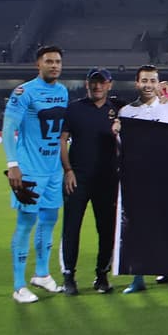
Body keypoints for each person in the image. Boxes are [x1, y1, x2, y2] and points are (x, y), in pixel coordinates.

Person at [4, 45, 71, 303]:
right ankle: (19, 285)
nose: (54, 65)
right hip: (30, 170)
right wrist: (13, 164)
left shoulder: (63, 91)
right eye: (49, 61)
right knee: (26, 223)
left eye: (57, 62)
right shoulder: (24, 92)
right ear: (38, 65)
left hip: (53, 170)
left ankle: (42, 274)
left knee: (49, 220)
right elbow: (8, 127)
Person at [116, 65, 168, 293]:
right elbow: (122, 148)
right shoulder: (126, 112)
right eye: (144, 80)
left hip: (165, 177)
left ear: (158, 84)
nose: (148, 85)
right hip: (136, 178)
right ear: (137, 83)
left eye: (152, 80)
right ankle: (138, 278)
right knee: (137, 228)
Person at [57, 68, 126, 296]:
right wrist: (68, 170)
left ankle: (102, 275)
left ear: (109, 85)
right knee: (71, 227)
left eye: (102, 83)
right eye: (93, 82)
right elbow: (63, 140)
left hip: (107, 179)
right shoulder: (75, 109)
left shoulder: (118, 109)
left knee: (106, 230)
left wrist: (162, 92)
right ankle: (69, 276)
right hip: (78, 178)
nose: (97, 87)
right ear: (87, 84)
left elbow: (144, 104)